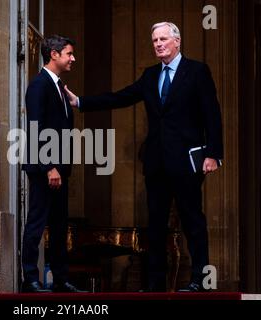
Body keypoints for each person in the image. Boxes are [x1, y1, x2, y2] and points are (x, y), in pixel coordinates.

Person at [64, 22, 223, 292]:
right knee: (156, 225)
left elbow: (212, 115)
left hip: (186, 162)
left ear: (177, 41)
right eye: (154, 40)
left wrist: (214, 154)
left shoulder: (197, 71)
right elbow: (122, 97)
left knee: (193, 220)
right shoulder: (150, 75)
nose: (158, 44)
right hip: (156, 163)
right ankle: (155, 284)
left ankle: (200, 281)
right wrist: (81, 102)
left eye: (163, 39)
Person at [21, 35, 85, 293]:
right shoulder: (39, 86)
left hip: (59, 169)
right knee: (37, 224)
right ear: (54, 55)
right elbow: (36, 129)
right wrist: (49, 167)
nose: (73, 58)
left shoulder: (59, 87)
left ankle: (60, 278)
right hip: (44, 169)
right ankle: (30, 279)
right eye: (69, 53)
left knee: (59, 226)